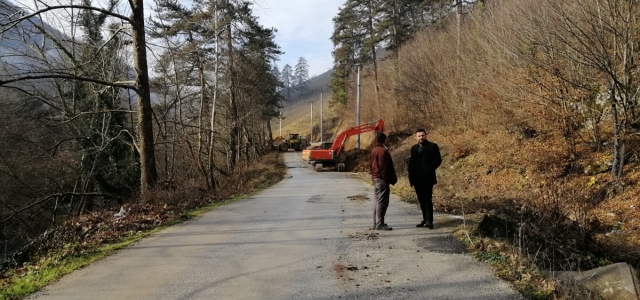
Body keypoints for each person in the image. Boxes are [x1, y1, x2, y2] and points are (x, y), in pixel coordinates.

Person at [408, 129, 442, 229]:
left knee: (427, 199)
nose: (421, 137)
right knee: (421, 200)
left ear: (426, 135)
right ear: (416, 137)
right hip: (417, 179)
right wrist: (411, 178)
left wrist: (429, 169)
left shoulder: (432, 146)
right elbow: (411, 163)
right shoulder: (414, 148)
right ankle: (424, 218)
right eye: (419, 136)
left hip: (427, 178)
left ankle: (429, 220)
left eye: (422, 135)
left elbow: (438, 160)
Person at [369, 132, 397, 230]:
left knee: (377, 201)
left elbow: (371, 165)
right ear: (384, 140)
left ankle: (376, 223)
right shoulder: (382, 151)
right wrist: (387, 179)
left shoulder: (374, 150)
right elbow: (384, 167)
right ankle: (379, 224)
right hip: (381, 179)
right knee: (382, 202)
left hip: (375, 178)